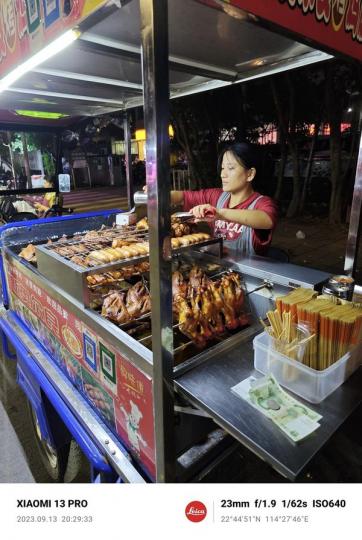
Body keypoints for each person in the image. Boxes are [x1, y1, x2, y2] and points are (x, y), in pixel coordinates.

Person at [145, 142, 278, 256]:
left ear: (250, 174)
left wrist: (219, 213)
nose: (222, 174)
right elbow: (182, 196)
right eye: (222, 168)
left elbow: (267, 220)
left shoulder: (262, 203)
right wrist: (157, 194)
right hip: (219, 271)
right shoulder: (217, 196)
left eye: (230, 168)